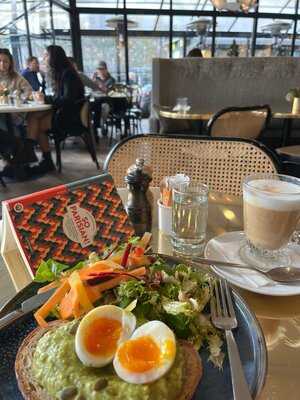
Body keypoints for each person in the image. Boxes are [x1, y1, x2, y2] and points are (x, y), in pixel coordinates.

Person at [26, 45, 84, 174]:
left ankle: (33, 156)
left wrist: (46, 99)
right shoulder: (63, 73)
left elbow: (67, 100)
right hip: (66, 113)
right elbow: (61, 98)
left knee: (36, 122)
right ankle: (35, 156)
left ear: (54, 58)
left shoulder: (68, 74)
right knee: (32, 116)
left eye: (46, 55)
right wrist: (45, 98)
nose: (43, 58)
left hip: (71, 118)